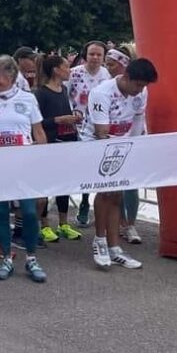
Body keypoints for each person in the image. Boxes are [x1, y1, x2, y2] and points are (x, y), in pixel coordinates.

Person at [0, 55, 48, 283]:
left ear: (11, 76)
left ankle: (32, 257)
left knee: (29, 211)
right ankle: (6, 257)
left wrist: (43, 159)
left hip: (23, 162)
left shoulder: (28, 99)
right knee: (1, 212)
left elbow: (39, 132)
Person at [87, 57, 158, 270]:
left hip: (123, 143)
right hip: (97, 143)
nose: (140, 90)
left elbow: (138, 119)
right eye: (137, 85)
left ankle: (115, 247)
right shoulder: (102, 93)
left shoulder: (141, 93)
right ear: (126, 77)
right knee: (106, 192)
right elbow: (101, 132)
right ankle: (99, 241)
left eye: (144, 86)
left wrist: (133, 148)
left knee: (117, 194)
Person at [33, 54, 83, 242]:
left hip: (66, 140)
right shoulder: (41, 93)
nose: (69, 70)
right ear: (56, 70)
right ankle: (44, 225)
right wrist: (58, 120)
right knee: (46, 185)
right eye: (66, 67)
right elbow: (37, 123)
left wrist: (74, 118)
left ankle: (64, 223)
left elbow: (65, 113)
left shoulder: (63, 89)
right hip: (50, 143)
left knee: (65, 183)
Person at [69, 41, 110, 226]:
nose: (95, 58)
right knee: (79, 166)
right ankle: (80, 200)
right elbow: (64, 93)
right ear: (85, 55)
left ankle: (88, 202)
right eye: (92, 54)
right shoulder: (75, 73)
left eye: (98, 55)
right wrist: (71, 113)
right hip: (75, 125)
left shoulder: (106, 75)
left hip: (96, 126)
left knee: (96, 166)